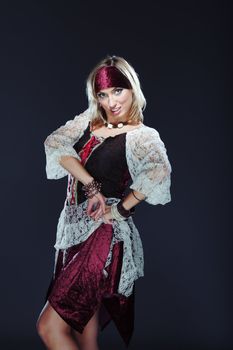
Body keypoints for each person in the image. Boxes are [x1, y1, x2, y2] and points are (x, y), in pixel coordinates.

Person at [36, 54, 172, 350]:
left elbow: (159, 170)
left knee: (49, 327)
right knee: (85, 335)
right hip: (74, 234)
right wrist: (91, 185)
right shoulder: (88, 124)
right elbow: (55, 144)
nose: (111, 101)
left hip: (102, 236)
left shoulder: (140, 135)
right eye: (103, 94)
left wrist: (121, 208)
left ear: (132, 89)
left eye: (118, 91)